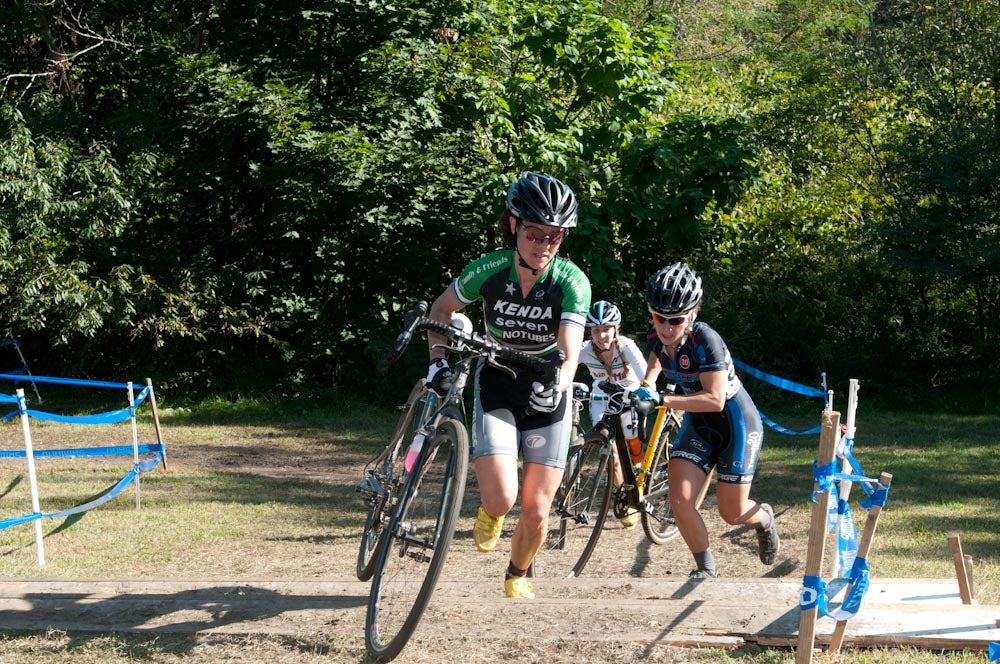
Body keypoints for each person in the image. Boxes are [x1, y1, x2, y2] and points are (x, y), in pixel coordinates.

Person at [425, 172, 591, 599]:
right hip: (499, 379)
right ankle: (493, 510)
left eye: (555, 235)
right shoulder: (489, 269)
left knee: (537, 511)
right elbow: (441, 310)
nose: (544, 244)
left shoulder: (571, 281)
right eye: (534, 232)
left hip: (547, 388)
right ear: (514, 224)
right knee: (502, 497)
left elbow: (570, 351)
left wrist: (560, 383)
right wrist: (437, 362)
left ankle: (517, 572)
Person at [636, 262, 779, 578]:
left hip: (735, 423)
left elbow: (715, 400)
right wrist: (647, 383)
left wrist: (662, 399)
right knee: (679, 500)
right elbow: (657, 357)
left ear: (692, 315)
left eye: (676, 319)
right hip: (699, 425)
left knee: (732, 512)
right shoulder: (658, 336)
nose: (667, 327)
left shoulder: (706, 340)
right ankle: (706, 569)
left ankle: (764, 519)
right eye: (659, 317)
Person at [576, 300, 647, 527]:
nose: (601, 335)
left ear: (616, 329)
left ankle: (638, 484)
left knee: (634, 451)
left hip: (627, 401)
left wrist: (645, 392)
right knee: (611, 452)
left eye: (606, 329)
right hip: (602, 403)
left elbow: (646, 376)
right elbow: (564, 365)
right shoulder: (585, 350)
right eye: (596, 330)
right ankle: (625, 498)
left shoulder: (626, 347)